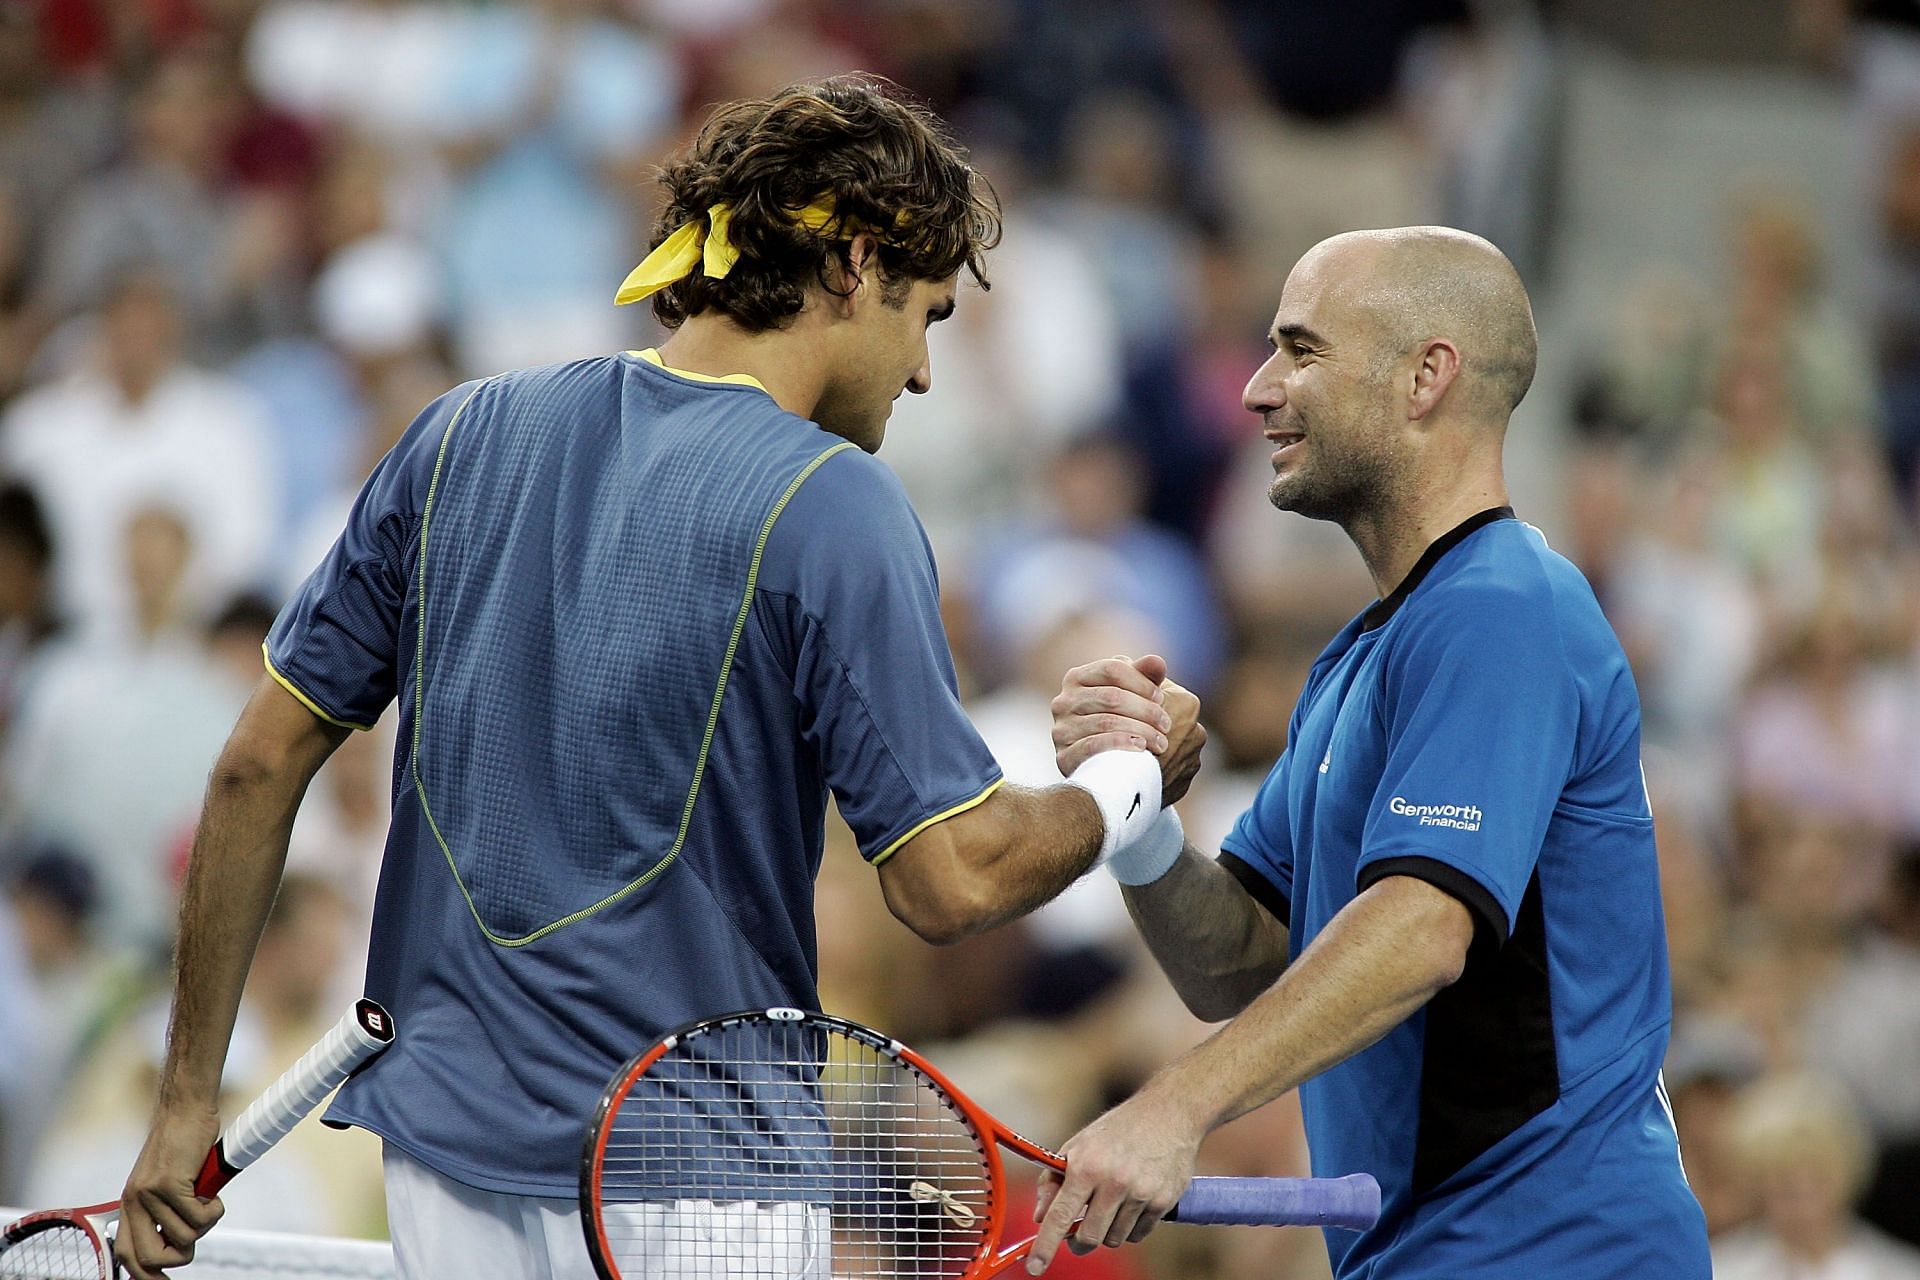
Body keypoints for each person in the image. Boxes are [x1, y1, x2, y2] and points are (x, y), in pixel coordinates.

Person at [114, 75, 1203, 1280]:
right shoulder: (832, 499)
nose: (925, 372)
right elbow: (950, 881)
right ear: (852, 263)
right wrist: (1126, 784)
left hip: (440, 1161)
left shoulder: (457, 430)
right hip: (696, 1176)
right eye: (928, 315)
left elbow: (258, 761)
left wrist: (182, 1105)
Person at [1032, 227, 1712, 1278]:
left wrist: (1177, 1103)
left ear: (1425, 376)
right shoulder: (1364, 655)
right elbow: (1243, 960)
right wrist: (1133, 818)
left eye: (1299, 350)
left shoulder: (1501, 608)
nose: (1258, 390)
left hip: (1557, 1252)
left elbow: (1423, 926)